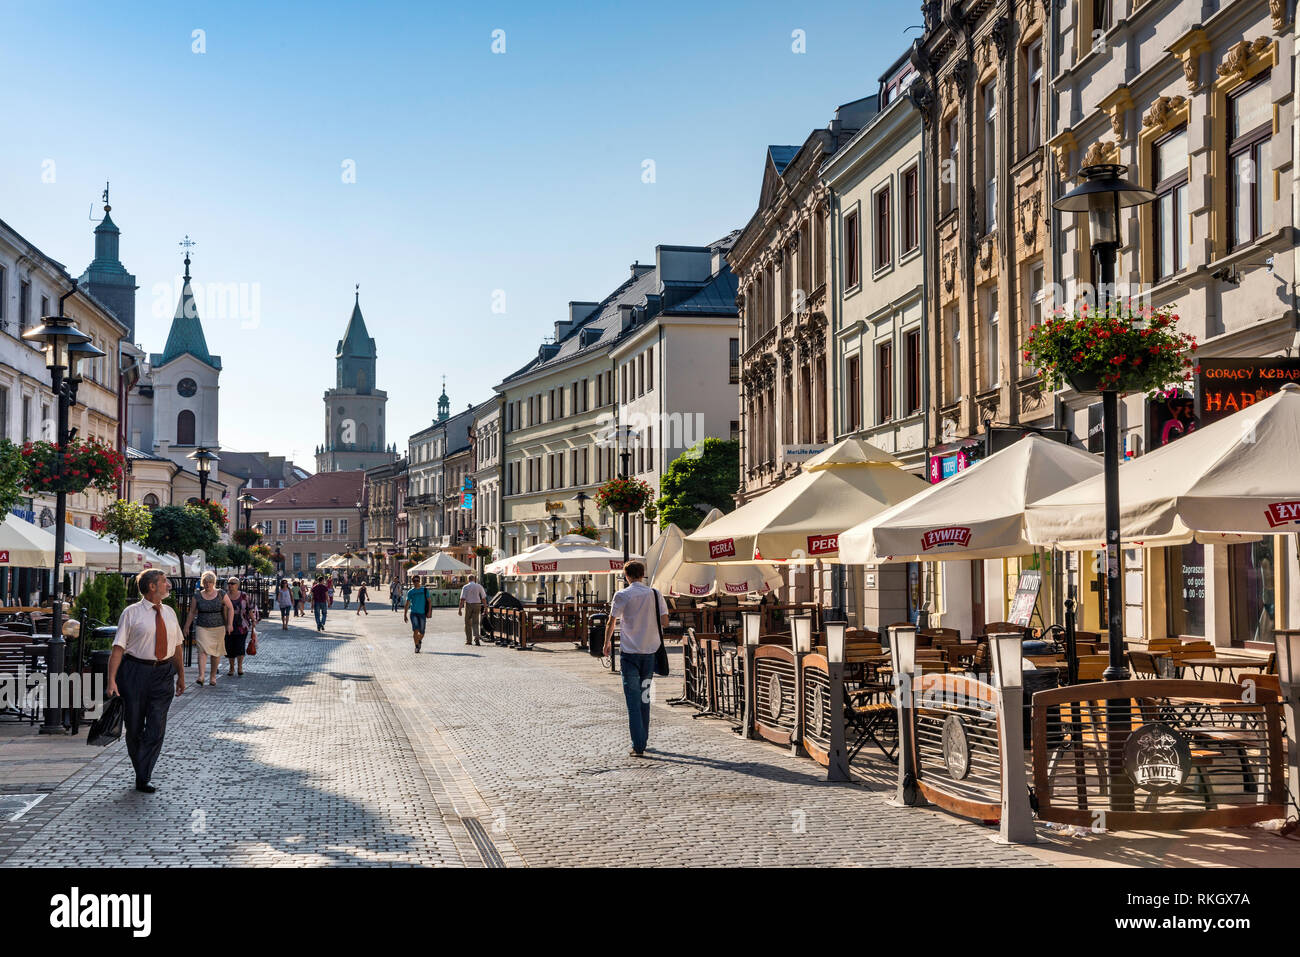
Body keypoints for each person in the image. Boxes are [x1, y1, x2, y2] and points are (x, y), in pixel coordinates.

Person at [107, 569, 185, 793]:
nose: (168, 585)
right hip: (134, 672)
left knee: (156, 726)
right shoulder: (131, 613)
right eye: (164, 582)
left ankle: (143, 775)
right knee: (133, 727)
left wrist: (180, 675)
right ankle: (142, 772)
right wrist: (112, 680)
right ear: (152, 586)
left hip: (163, 673)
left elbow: (178, 646)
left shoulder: (169, 612)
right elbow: (118, 648)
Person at [604, 560, 667, 758]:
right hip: (650, 653)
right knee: (644, 698)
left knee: (632, 701)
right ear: (642, 574)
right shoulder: (655, 594)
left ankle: (638, 744)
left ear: (626, 576)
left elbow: (611, 621)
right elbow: (665, 620)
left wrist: (606, 643)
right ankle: (643, 739)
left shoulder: (622, 595)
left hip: (630, 654)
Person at [184, 571, 232, 686]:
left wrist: (229, 624)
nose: (207, 584)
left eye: (210, 582)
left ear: (213, 583)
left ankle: (213, 676)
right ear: (202, 583)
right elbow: (191, 612)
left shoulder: (221, 593)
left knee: (215, 653)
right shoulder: (197, 595)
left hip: (218, 627)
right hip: (202, 626)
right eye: (205, 582)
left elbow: (230, 608)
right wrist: (186, 626)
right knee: (202, 650)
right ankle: (201, 676)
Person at [224, 578, 257, 676]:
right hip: (228, 626)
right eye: (229, 583)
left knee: (240, 646)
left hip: (242, 626)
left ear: (237, 585)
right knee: (229, 648)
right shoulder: (225, 596)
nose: (230, 585)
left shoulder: (244, 596)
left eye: (233, 583)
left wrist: (253, 620)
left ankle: (240, 667)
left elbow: (249, 609)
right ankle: (231, 668)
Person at [403, 575, 431, 653]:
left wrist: (429, 612)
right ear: (412, 582)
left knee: (422, 632)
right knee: (415, 630)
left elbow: (429, 601)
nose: (416, 582)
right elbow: (407, 604)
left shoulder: (424, 590)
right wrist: (405, 615)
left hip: (422, 613)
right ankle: (416, 646)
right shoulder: (411, 592)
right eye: (414, 581)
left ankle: (418, 641)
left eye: (417, 580)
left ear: (419, 581)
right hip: (414, 613)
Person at [458, 574, 487, 646]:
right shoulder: (479, 586)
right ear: (474, 579)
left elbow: (462, 599)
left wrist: (460, 609)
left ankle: (469, 640)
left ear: (468, 579)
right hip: (477, 604)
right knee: (475, 622)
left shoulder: (465, 587)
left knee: (467, 623)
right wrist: (486, 608)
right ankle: (476, 637)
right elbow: (483, 598)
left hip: (468, 605)